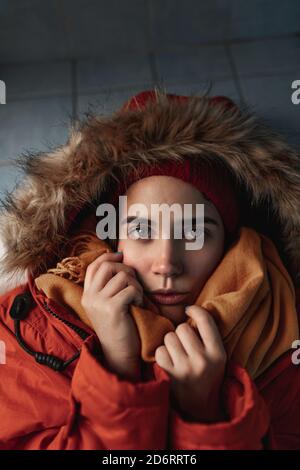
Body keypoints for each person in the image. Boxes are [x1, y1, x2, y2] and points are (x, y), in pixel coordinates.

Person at [0, 88, 300, 450]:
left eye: (195, 231)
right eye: (141, 229)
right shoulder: (31, 323)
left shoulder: (285, 335)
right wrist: (117, 369)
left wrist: (205, 410)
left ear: (231, 242)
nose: (166, 264)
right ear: (111, 236)